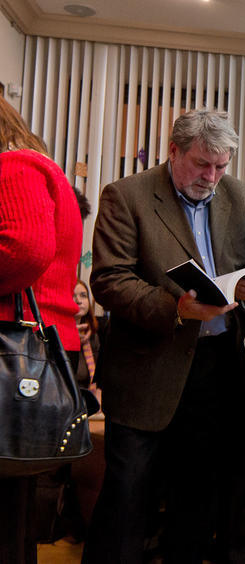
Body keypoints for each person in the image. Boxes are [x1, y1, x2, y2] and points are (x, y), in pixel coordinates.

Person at [82, 109, 245, 564]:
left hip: (216, 366)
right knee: (128, 495)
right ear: (174, 151)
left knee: (197, 491)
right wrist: (176, 308)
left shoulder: (236, 193)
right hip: (147, 368)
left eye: (221, 166)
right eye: (202, 164)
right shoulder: (127, 195)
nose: (211, 177)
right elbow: (109, 280)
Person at [0, 95, 83, 564]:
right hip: (34, 347)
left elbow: (23, 251)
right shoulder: (36, 166)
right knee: (13, 504)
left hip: (15, 346)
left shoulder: (14, 167)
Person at [73, 279, 99, 388]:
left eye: (83, 296)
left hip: (86, 394)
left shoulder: (92, 334)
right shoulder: (54, 333)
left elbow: (99, 375)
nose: (79, 301)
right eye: (73, 296)